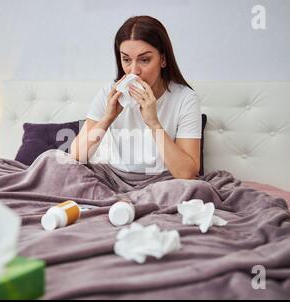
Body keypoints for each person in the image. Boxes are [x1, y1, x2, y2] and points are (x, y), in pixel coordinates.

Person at [70, 15, 201, 180]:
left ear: (163, 59)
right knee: (51, 161)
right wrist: (108, 118)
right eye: (126, 60)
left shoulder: (185, 99)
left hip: (161, 181)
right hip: (111, 178)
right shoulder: (109, 92)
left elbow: (187, 174)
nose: (133, 71)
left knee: (196, 190)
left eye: (144, 60)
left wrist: (153, 123)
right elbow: (75, 156)